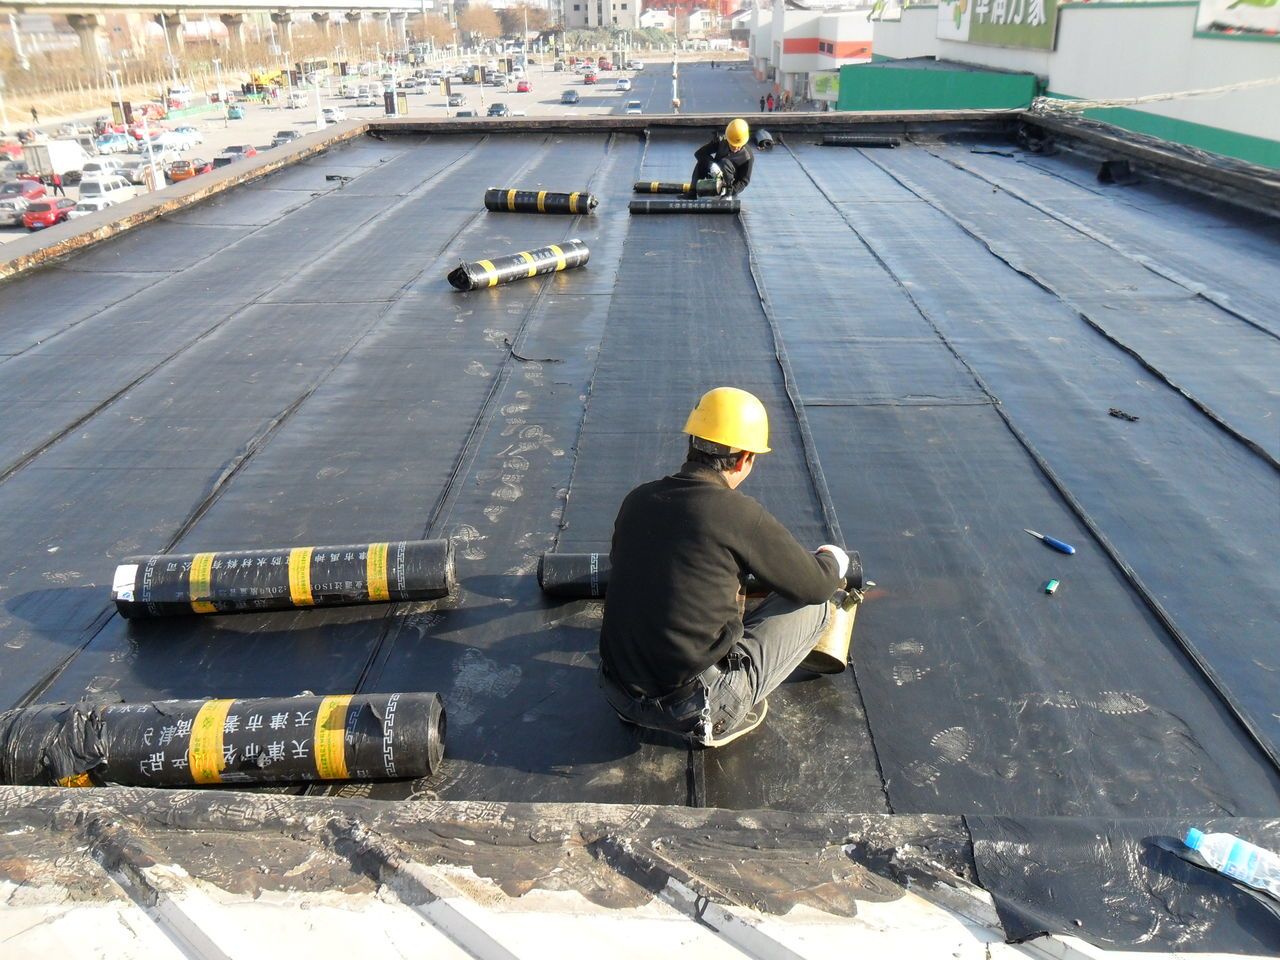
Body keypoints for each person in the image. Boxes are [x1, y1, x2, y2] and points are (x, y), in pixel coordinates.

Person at [598, 387, 852, 747]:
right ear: (745, 458)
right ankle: (723, 712)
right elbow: (814, 585)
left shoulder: (638, 499)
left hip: (617, 693)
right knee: (820, 606)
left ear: (693, 443)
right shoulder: (737, 514)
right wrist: (833, 559)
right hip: (697, 708)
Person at [690, 118, 754, 197]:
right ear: (728, 139)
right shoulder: (721, 141)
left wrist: (731, 191)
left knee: (725, 163)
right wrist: (712, 165)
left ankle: (726, 192)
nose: (735, 148)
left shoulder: (747, 156)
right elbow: (699, 153)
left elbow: (744, 181)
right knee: (701, 163)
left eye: (738, 146)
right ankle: (692, 192)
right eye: (732, 145)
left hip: (730, 185)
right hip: (714, 176)